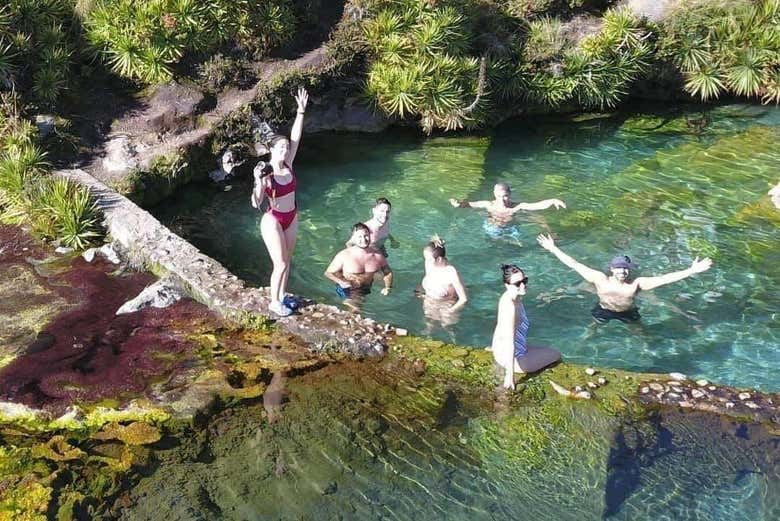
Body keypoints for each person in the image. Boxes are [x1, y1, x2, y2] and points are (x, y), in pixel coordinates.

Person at [536, 233, 713, 323]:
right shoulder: (599, 279)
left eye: (626, 269)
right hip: (603, 308)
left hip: (628, 312)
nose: (623, 272)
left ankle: (646, 346)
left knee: (639, 330)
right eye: (619, 269)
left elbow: (665, 278)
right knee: (594, 327)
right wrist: (553, 248)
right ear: (612, 269)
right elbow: (574, 264)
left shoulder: (637, 284)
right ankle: (585, 338)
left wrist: (691, 270)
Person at [251, 87, 308, 317]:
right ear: (271, 150)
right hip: (272, 220)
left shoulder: (288, 165)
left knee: (288, 260)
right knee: (280, 263)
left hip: (291, 216)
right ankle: (274, 303)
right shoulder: (266, 172)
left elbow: (296, 137)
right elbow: (256, 203)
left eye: (286, 147)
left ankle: (282, 296)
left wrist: (301, 112)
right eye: (281, 147)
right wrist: (257, 182)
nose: (285, 149)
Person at [491, 264, 560, 390]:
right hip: (514, 357)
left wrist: (496, 348)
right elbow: (509, 341)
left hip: (506, 350)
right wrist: (509, 376)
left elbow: (499, 327)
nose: (523, 285)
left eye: (524, 281)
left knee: (546, 351)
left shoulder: (510, 298)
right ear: (507, 285)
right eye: (517, 283)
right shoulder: (510, 307)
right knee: (556, 354)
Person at [325, 223, 393, 305]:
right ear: (353, 238)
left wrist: (387, 287)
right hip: (348, 288)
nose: (363, 239)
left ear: (370, 235)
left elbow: (387, 272)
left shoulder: (377, 255)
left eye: (366, 235)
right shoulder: (344, 255)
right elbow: (328, 273)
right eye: (359, 237)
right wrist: (340, 282)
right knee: (356, 309)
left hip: (366, 288)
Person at [449, 182, 566, 223]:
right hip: (493, 227)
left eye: (505, 196)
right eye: (499, 196)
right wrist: (458, 203)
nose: (502, 199)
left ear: (509, 195)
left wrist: (553, 200)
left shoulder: (517, 207)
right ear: (495, 195)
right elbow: (470, 204)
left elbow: (536, 206)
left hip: (511, 227)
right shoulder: (488, 204)